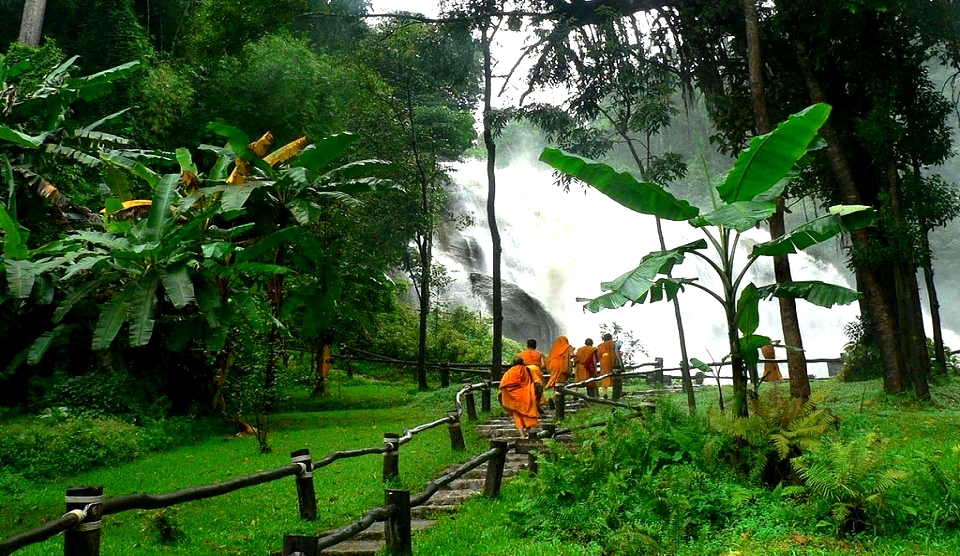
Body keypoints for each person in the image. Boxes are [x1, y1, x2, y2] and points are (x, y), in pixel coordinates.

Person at [499, 357, 542, 439]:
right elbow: (537, 381)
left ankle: (522, 435)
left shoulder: (509, 372)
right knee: (529, 415)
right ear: (523, 363)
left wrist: (506, 396)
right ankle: (528, 431)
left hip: (514, 398)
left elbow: (503, 385)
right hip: (527, 396)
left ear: (513, 363)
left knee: (517, 416)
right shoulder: (528, 370)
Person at [597, 333, 619, 399]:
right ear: (611, 338)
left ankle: (605, 393)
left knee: (604, 376)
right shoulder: (614, 343)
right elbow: (617, 351)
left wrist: (601, 360)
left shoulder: (600, 346)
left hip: (604, 361)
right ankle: (616, 392)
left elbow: (598, 355)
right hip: (613, 359)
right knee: (616, 376)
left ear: (604, 339)